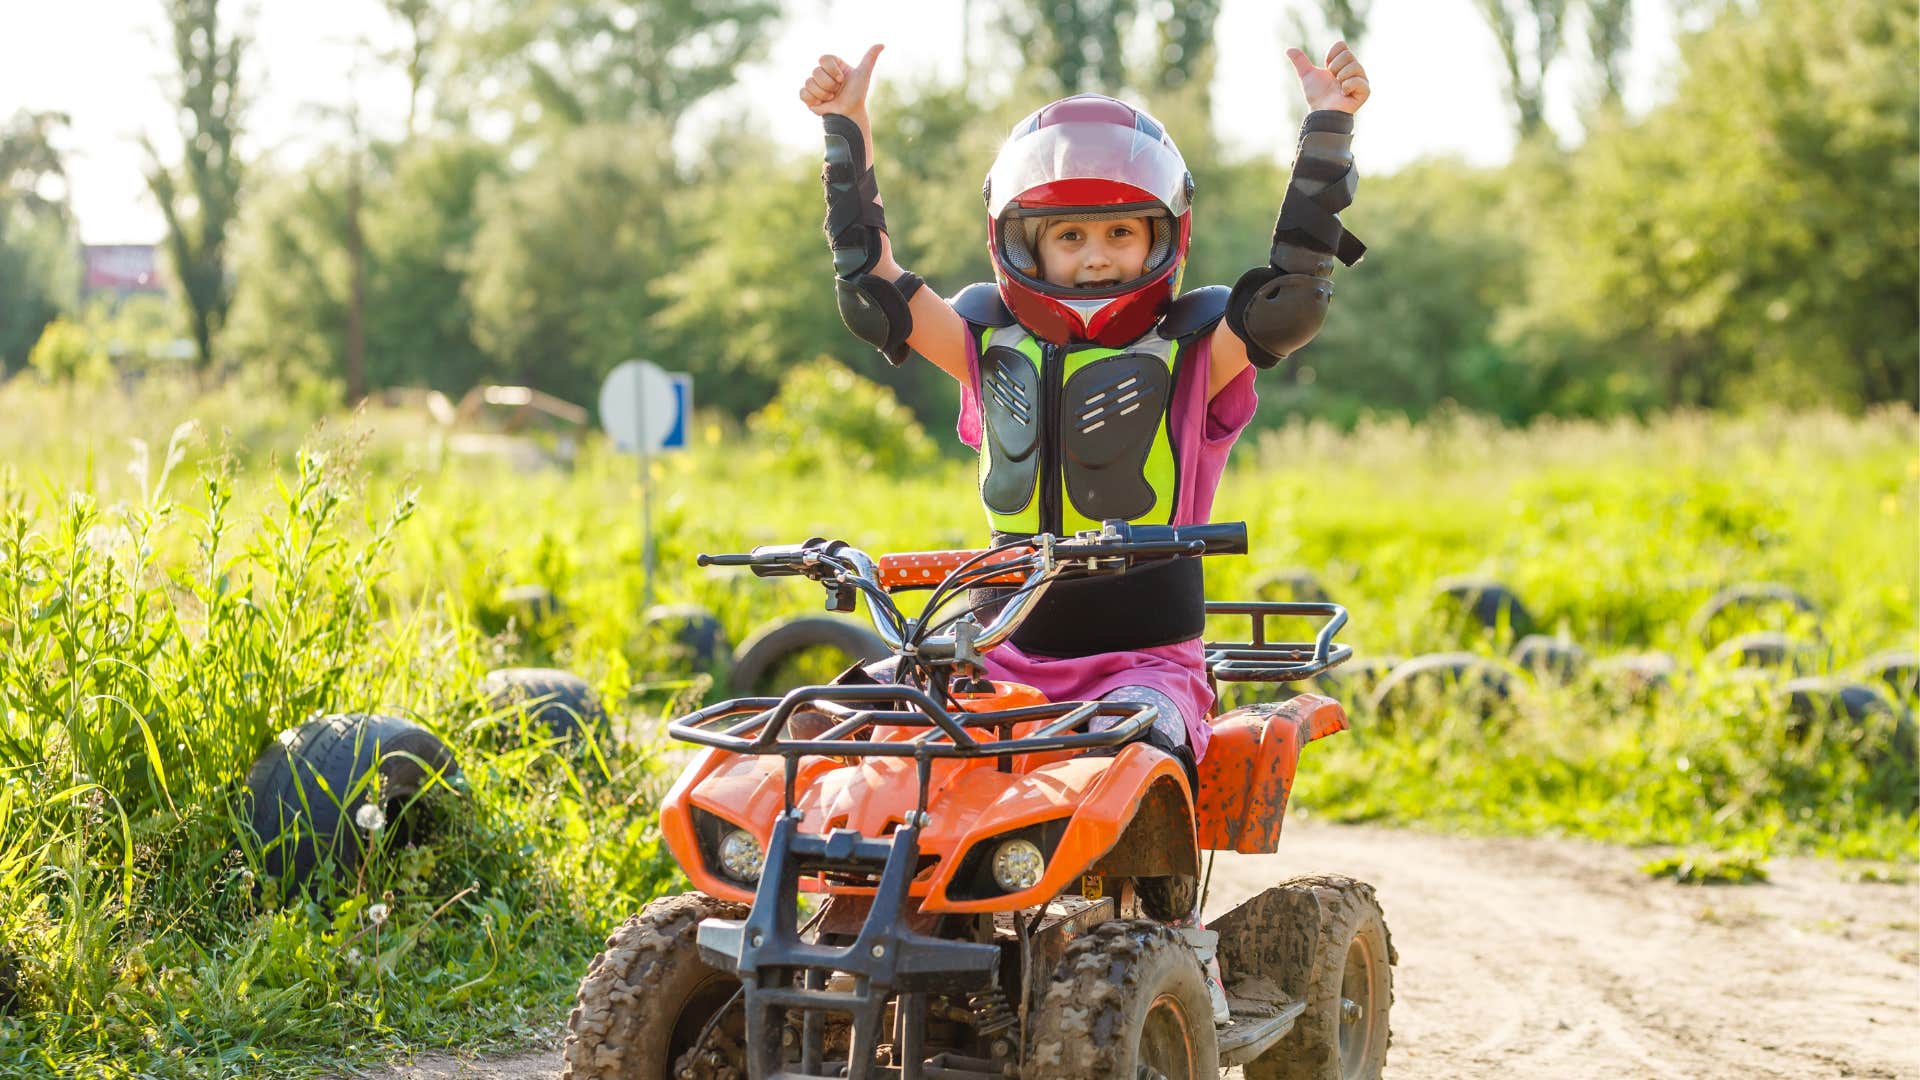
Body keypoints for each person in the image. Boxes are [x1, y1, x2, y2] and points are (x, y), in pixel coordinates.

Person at [800, 41, 1370, 1024]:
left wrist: (1328, 131)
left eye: (1119, 232)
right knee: (843, 720)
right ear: (1018, 243)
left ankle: (1179, 952)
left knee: (1126, 748)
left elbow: (1289, 298)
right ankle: (849, 937)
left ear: (1165, 239)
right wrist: (844, 133)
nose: (1096, 256)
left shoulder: (1195, 351)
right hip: (1001, 651)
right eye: (1068, 238)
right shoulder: (987, 342)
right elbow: (873, 292)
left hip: (1141, 666)